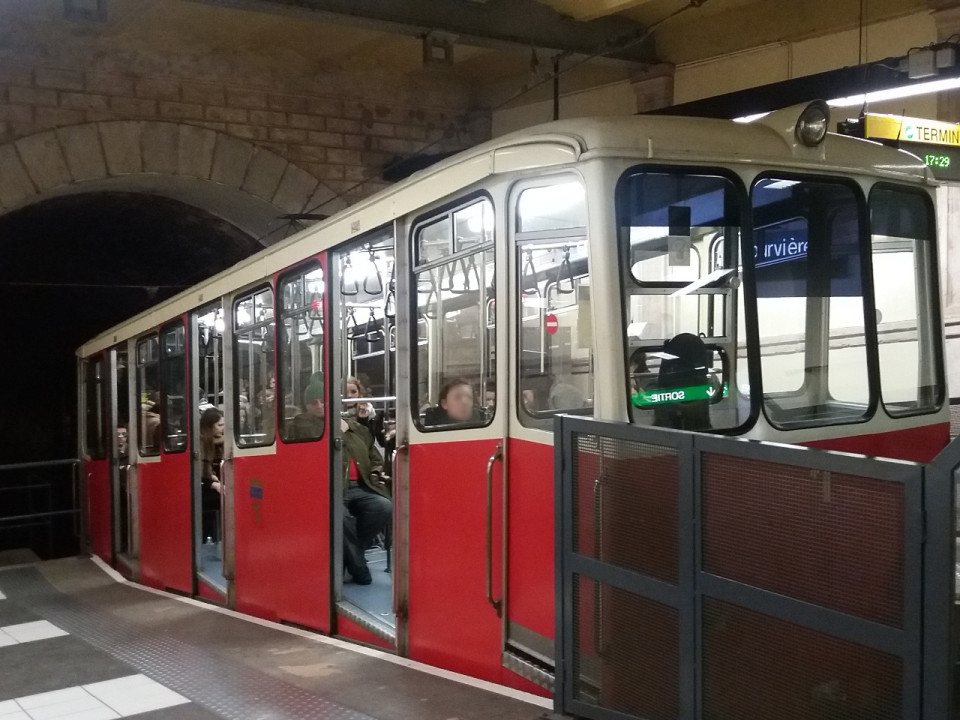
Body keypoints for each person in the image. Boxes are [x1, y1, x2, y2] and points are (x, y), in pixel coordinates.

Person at [340, 409, 392, 585]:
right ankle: (359, 567)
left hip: (363, 486)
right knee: (341, 518)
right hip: (334, 488)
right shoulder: (310, 428)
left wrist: (376, 474)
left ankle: (349, 557)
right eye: (314, 402)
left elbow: (376, 459)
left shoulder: (358, 429)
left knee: (384, 506)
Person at [199, 407, 225, 542]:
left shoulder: (209, 442)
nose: (222, 429)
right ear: (210, 425)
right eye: (219, 425)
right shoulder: (200, 442)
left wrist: (213, 477)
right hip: (198, 488)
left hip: (205, 483)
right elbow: (195, 473)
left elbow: (206, 470)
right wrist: (213, 484)